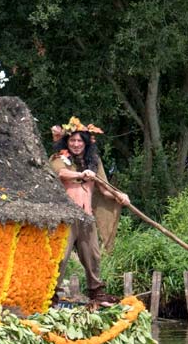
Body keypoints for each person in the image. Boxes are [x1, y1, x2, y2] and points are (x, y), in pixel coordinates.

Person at [49, 117, 130, 305]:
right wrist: (80, 174)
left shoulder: (93, 161)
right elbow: (60, 174)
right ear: (66, 142)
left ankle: (97, 292)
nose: (76, 144)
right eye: (72, 141)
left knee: (93, 254)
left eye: (80, 141)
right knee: (60, 256)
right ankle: (50, 294)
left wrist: (120, 196)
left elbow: (103, 188)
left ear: (86, 143)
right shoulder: (58, 158)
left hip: (86, 217)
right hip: (65, 217)